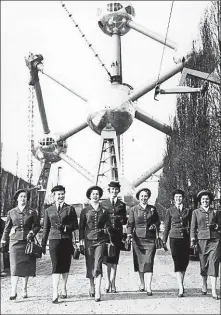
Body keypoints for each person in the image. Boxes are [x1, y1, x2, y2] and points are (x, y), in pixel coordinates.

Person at [0, 189, 40, 300]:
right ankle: (13, 291)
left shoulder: (32, 212)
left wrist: (32, 232)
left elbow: (37, 226)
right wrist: (3, 240)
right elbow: (7, 228)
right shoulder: (11, 212)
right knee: (15, 266)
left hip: (28, 242)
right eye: (21, 196)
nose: (23, 198)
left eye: (25, 197)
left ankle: (24, 288)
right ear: (17, 198)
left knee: (26, 266)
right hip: (15, 242)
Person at [41, 185, 79, 304]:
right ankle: (55, 292)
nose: (61, 196)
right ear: (54, 195)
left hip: (66, 240)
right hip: (54, 240)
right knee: (56, 265)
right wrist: (43, 244)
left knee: (65, 265)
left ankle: (64, 288)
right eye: (58, 194)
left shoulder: (70, 209)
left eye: (62, 193)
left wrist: (66, 228)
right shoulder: (48, 210)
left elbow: (75, 226)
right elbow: (46, 228)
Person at [79, 185, 111, 302]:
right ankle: (91, 286)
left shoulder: (104, 211)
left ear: (100, 196)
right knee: (90, 263)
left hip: (101, 241)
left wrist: (106, 230)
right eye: (93, 194)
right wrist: (80, 241)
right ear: (89, 196)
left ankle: (98, 291)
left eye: (97, 194)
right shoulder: (85, 211)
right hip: (88, 240)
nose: (95, 196)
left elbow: (109, 225)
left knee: (98, 263)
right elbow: (81, 227)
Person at [127, 188, 160, 296]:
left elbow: (157, 221)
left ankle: (149, 287)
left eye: (146, 196)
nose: (144, 198)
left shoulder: (152, 209)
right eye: (142, 196)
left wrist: (155, 225)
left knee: (149, 261)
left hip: (150, 239)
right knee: (140, 262)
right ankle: (142, 283)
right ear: (138, 197)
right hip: (138, 240)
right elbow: (130, 224)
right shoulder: (133, 209)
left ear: (148, 197)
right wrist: (129, 234)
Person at [190, 190, 220, 300]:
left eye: (207, 199)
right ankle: (204, 283)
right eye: (203, 199)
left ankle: (213, 290)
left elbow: (220, 225)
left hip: (214, 240)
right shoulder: (196, 212)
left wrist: (216, 226)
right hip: (201, 240)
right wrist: (192, 238)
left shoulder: (216, 212)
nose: (205, 201)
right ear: (200, 201)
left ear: (210, 200)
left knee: (214, 262)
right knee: (203, 263)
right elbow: (193, 227)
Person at [162, 189, 192, 297]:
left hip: (185, 238)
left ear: (183, 198)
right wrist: (164, 241)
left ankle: (181, 284)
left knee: (185, 262)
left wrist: (193, 238)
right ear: (173, 199)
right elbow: (167, 226)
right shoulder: (169, 211)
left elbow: (191, 226)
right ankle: (180, 287)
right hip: (174, 238)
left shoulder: (188, 211)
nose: (178, 199)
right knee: (177, 262)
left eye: (180, 197)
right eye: (176, 197)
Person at [101, 181, 127, 293]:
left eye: (116, 189)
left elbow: (125, 220)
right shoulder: (103, 204)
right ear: (109, 191)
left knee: (115, 259)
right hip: (106, 235)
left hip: (117, 234)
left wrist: (124, 234)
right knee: (107, 259)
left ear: (118, 190)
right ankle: (107, 282)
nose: (114, 191)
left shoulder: (122, 205)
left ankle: (113, 283)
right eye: (112, 189)